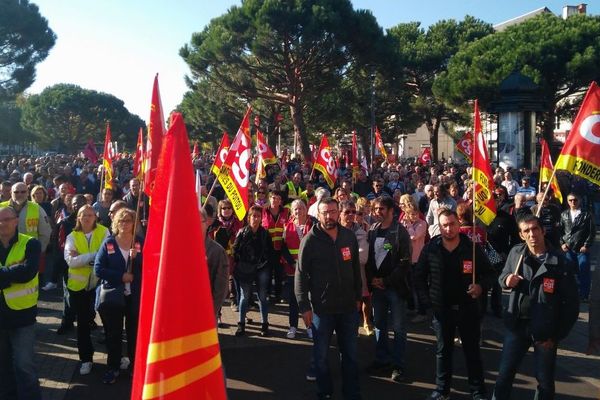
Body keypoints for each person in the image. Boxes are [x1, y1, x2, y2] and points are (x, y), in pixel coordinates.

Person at [492, 215, 580, 400]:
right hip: (517, 326)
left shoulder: (560, 261)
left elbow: (571, 305)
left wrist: (556, 336)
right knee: (504, 375)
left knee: (545, 381)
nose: (532, 234)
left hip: (545, 331)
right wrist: (507, 280)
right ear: (521, 235)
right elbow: (502, 277)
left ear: (543, 231)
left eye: (535, 229)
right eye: (526, 231)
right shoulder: (516, 253)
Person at [415, 209, 494, 400]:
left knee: (472, 352)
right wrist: (428, 304)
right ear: (439, 226)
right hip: (441, 311)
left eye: (452, 224)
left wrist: (480, 287)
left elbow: (491, 273)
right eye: (444, 225)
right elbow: (418, 277)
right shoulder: (431, 248)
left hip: (468, 309)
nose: (448, 229)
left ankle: (477, 391)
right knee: (443, 352)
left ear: (459, 224)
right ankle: (442, 389)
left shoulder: (472, 248)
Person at [296, 197, 362, 400]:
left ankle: (351, 394)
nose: (329, 216)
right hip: (321, 310)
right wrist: (304, 307)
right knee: (321, 356)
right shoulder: (310, 240)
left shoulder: (348, 237)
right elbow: (300, 275)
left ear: (338, 212)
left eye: (333, 211)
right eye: (325, 212)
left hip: (348, 308)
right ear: (319, 214)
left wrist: (358, 297)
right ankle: (324, 392)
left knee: (350, 355)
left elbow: (355, 269)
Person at [365, 196, 412, 382]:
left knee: (399, 327)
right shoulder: (373, 230)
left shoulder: (400, 232)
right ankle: (381, 360)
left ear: (392, 211)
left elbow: (405, 262)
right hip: (377, 288)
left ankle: (398, 365)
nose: (378, 212)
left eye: (382, 208)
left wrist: (386, 280)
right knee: (379, 326)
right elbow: (369, 259)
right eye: (376, 208)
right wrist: (372, 279)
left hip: (395, 288)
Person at [94, 208, 143, 384]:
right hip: (114, 297)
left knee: (134, 334)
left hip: (134, 297)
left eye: (128, 220)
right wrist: (120, 276)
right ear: (116, 223)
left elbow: (149, 267)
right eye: (121, 220)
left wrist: (137, 258)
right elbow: (98, 269)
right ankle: (113, 367)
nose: (124, 224)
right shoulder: (109, 243)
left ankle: (134, 366)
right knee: (113, 334)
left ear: (134, 223)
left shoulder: (139, 242)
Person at [0, 206, 42, 400]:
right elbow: (20, 272)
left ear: (16, 220)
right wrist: (12, 272)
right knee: (3, 366)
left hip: (22, 316)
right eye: (0, 220)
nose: (3, 224)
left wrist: (5, 276)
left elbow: (28, 273)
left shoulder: (30, 243)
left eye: (7, 219)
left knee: (25, 366)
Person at [64, 205, 109, 375]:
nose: (87, 218)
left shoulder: (104, 232)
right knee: (82, 325)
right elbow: (71, 261)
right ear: (79, 218)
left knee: (108, 322)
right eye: (84, 215)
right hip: (78, 288)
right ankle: (86, 359)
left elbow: (106, 256)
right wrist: (94, 256)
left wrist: (84, 258)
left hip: (99, 284)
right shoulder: (72, 236)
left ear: (95, 217)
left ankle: (115, 357)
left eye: (90, 215)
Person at [232, 205, 274, 337]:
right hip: (246, 269)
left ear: (261, 218)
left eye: (258, 216)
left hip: (262, 268)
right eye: (253, 216)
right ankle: (241, 324)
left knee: (262, 297)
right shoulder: (242, 232)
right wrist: (242, 263)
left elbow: (270, 252)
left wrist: (265, 264)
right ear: (249, 218)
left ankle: (264, 324)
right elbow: (235, 250)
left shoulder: (265, 233)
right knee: (245, 297)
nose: (255, 219)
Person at [281, 199, 315, 339]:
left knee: (309, 301)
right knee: (294, 301)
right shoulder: (286, 226)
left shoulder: (313, 224)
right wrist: (292, 263)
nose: (298, 211)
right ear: (292, 211)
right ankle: (293, 326)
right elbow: (283, 248)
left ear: (306, 209)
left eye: (301, 208)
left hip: (309, 270)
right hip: (292, 270)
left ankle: (310, 327)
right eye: (295, 209)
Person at [338, 200, 371, 336]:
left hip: (357, 274)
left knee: (360, 300)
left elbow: (362, 257)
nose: (351, 215)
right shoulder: (333, 230)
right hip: (337, 277)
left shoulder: (360, 232)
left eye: (354, 212)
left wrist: (341, 255)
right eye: (347, 212)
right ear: (340, 214)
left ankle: (362, 324)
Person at [559, 193, 596, 303]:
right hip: (568, 249)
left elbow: (592, 232)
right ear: (567, 201)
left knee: (583, 271)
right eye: (570, 200)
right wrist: (562, 243)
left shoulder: (586, 215)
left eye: (575, 200)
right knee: (568, 272)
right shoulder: (564, 214)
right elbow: (560, 231)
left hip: (581, 249)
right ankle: (568, 293)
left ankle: (584, 294)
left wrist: (586, 245)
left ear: (579, 200)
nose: (573, 202)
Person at [0, 182, 51, 252]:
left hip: (29, 253)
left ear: (27, 193)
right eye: (16, 192)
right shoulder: (1, 207)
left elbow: (45, 232)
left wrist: (39, 251)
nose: (19, 194)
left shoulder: (37, 208)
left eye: (23, 192)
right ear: (11, 193)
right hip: (4, 252)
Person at [201, 207, 228, 319]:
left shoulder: (216, 251)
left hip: (206, 314)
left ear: (206, 223)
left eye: (197, 221)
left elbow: (221, 288)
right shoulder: (180, 249)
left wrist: (211, 311)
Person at [262, 191, 289, 302]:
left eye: (278, 198)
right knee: (267, 272)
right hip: (267, 249)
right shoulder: (263, 211)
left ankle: (278, 295)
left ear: (281, 201)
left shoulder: (286, 212)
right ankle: (267, 293)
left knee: (279, 273)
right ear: (269, 198)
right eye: (273, 198)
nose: (275, 200)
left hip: (280, 249)